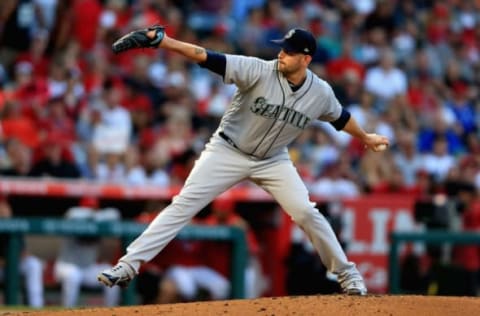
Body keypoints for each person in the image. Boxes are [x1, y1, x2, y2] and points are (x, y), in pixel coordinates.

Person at [98, 25, 390, 296]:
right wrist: (164, 41)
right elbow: (206, 57)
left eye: (289, 51)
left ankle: (347, 274)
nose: (281, 54)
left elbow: (341, 118)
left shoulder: (320, 92)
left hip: (273, 160)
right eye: (282, 48)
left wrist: (364, 137)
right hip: (227, 150)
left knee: (305, 212)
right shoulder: (259, 69)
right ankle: (128, 264)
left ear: (306, 58)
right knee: (183, 205)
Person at [55, 197, 121, 307]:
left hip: (87, 269)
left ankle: (111, 311)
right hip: (66, 266)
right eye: (88, 208)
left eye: (94, 208)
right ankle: (67, 311)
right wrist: (92, 215)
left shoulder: (97, 220)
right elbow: (72, 213)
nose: (91, 210)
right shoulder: (73, 218)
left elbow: (115, 213)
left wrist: (95, 215)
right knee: (73, 276)